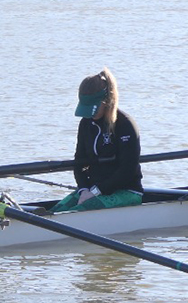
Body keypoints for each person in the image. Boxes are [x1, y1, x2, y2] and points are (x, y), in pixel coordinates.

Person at [52, 68, 144, 212]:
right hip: (92, 190)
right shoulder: (86, 123)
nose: (89, 113)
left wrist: (95, 192)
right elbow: (79, 162)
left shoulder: (125, 125)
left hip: (127, 191)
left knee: (79, 211)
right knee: (56, 211)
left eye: (92, 108)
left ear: (106, 100)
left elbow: (127, 170)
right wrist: (83, 190)